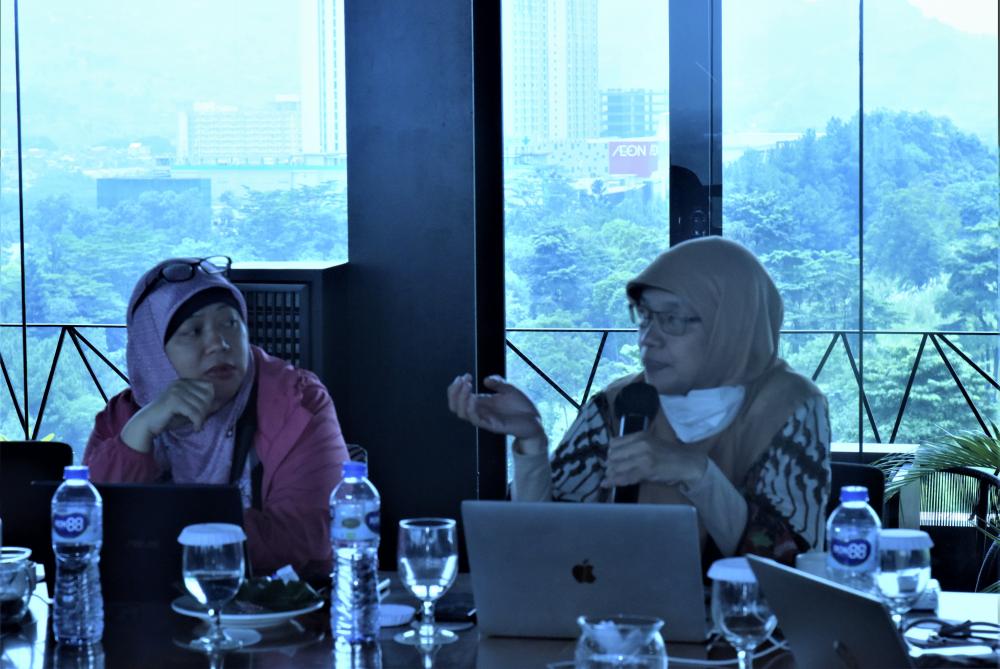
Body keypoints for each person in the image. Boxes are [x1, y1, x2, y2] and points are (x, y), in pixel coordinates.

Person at [447, 237, 830, 565]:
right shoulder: (623, 402)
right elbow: (542, 543)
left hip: (744, 626)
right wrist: (531, 442)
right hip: (616, 621)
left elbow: (791, 564)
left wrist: (696, 472)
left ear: (731, 324)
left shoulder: (789, 406)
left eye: (673, 319)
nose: (648, 338)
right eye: (645, 317)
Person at [84, 257, 349, 577]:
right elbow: (85, 531)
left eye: (230, 323)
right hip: (142, 600)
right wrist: (138, 435)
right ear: (153, 353)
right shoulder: (126, 417)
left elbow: (307, 535)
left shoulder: (298, 402)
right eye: (193, 331)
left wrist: (153, 528)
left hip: (274, 601)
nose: (220, 344)